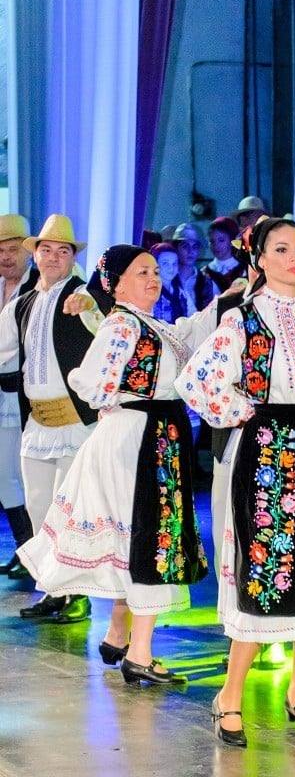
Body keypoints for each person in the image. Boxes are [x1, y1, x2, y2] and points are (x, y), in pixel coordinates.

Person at [176, 217, 295, 746]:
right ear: (259, 258)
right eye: (281, 249)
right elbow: (197, 380)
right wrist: (244, 413)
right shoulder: (244, 318)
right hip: (269, 448)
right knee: (265, 569)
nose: (294, 258)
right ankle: (230, 695)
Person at [18, 245, 216, 684]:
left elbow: (191, 331)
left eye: (154, 271)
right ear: (117, 284)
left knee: (139, 536)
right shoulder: (123, 324)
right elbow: (91, 383)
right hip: (138, 438)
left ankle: (117, 634)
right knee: (148, 537)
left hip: (152, 435)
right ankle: (139, 654)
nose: (153, 278)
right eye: (141, 271)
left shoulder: (149, 324)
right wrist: (121, 398)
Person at [0, 213, 110, 622]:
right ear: (35, 255)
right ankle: (52, 588)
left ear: (71, 258)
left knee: (70, 511)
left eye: (62, 251)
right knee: (40, 511)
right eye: (45, 250)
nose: (52, 257)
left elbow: (107, 326)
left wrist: (91, 304)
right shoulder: (23, 303)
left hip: (76, 423)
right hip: (37, 424)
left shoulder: (82, 295)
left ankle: (77, 594)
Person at [0, 215, 39, 579]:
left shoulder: (37, 287)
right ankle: (24, 547)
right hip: (2, 395)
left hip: (26, 395)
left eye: (12, 249)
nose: (5, 257)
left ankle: (35, 553)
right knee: (5, 476)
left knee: (26, 475)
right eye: (0, 251)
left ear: (27, 252)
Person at [172, 223, 217, 311]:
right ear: (175, 248)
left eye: (195, 247)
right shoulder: (167, 278)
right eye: (185, 246)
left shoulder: (207, 283)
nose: (190, 251)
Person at [204, 216, 247, 293]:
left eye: (221, 240)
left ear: (231, 240)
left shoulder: (243, 269)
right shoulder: (205, 272)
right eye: (212, 241)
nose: (216, 246)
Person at [150, 242, 187, 323]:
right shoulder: (148, 291)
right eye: (165, 263)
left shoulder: (181, 291)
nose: (171, 268)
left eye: (174, 263)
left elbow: (192, 314)